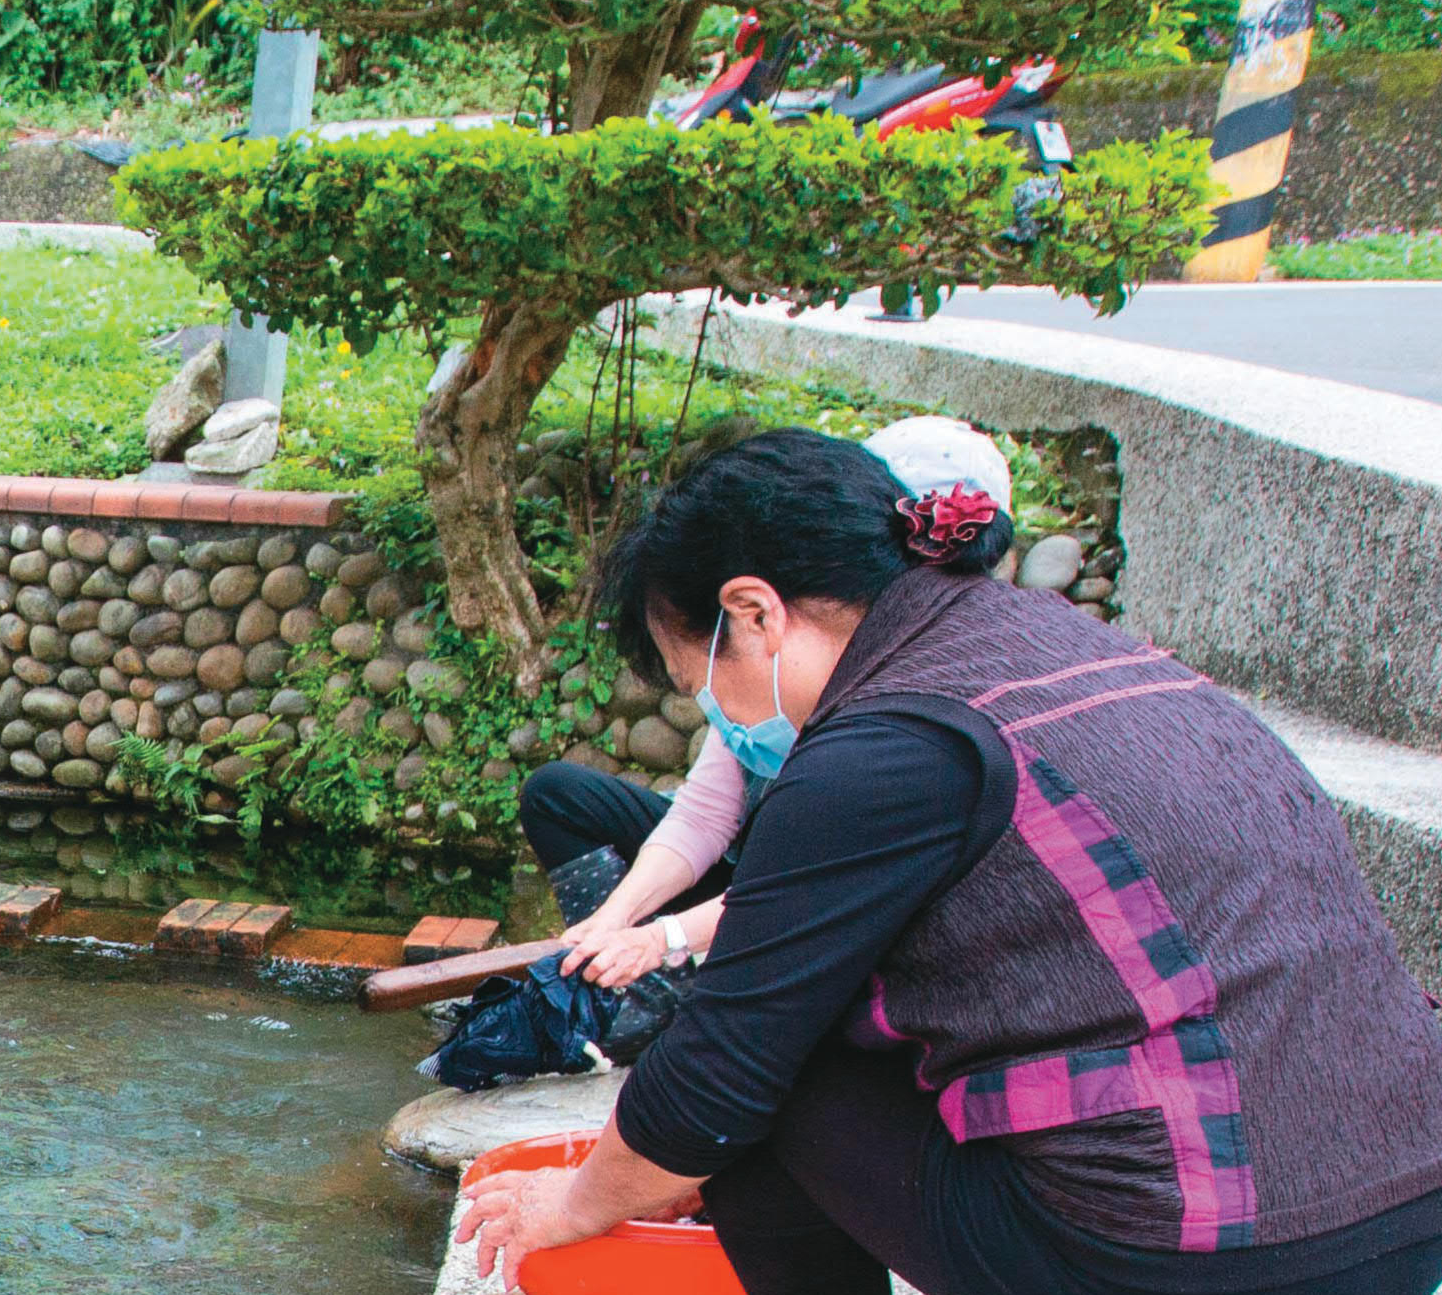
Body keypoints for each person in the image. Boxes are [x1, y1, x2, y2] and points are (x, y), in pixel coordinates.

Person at [453, 423, 1442, 1295]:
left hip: (1202, 1281)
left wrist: (577, 1206)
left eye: (707, 677)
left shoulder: (884, 744)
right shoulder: (1070, 651)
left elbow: (717, 1081)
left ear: (755, 612)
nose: (721, 714)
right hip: (1408, 1229)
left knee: (756, 1086)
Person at [439, 416, 1029, 1094]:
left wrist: (661, 941)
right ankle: (636, 995)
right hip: (772, 880)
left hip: (849, 935)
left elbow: (804, 890)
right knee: (560, 793)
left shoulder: (892, 729)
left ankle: (663, 1000)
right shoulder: (794, 662)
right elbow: (706, 813)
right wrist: (617, 920)